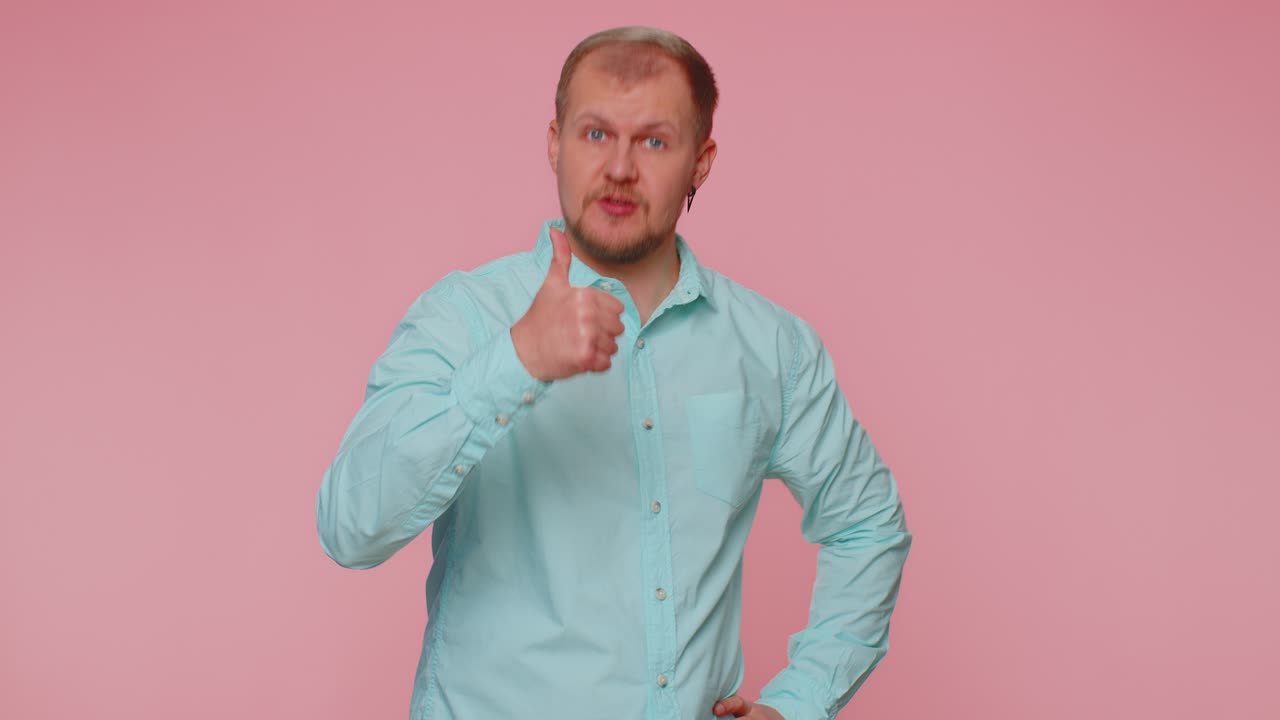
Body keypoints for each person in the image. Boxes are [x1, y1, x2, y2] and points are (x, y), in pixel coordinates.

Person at [317, 25, 912, 720]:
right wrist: (515, 362)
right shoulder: (465, 318)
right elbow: (350, 529)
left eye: (654, 141)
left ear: (701, 162)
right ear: (555, 143)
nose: (620, 168)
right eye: (596, 134)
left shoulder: (770, 345)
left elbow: (868, 525)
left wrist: (802, 701)